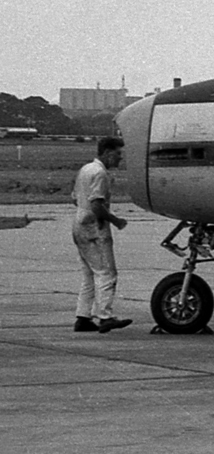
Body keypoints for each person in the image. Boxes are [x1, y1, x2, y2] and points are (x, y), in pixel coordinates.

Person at [73, 137, 131, 333]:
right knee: (106, 272)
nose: (119, 158)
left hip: (79, 223)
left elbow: (75, 198)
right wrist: (116, 220)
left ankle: (83, 317)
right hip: (94, 228)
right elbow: (97, 204)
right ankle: (105, 316)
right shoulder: (100, 174)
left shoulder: (86, 169)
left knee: (90, 273)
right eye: (117, 154)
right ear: (106, 153)